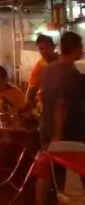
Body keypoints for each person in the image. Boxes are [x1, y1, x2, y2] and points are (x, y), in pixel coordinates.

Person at [35, 31, 85, 204]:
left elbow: (42, 96)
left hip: (46, 127)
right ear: (77, 49)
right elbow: (61, 105)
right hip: (66, 132)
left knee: (46, 172)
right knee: (76, 171)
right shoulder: (71, 73)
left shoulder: (48, 69)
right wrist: (58, 133)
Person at [26, 33, 58, 110]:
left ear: (53, 47)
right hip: (49, 107)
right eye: (41, 49)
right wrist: (30, 109)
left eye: (47, 48)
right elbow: (31, 92)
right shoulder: (38, 68)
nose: (44, 51)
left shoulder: (63, 60)